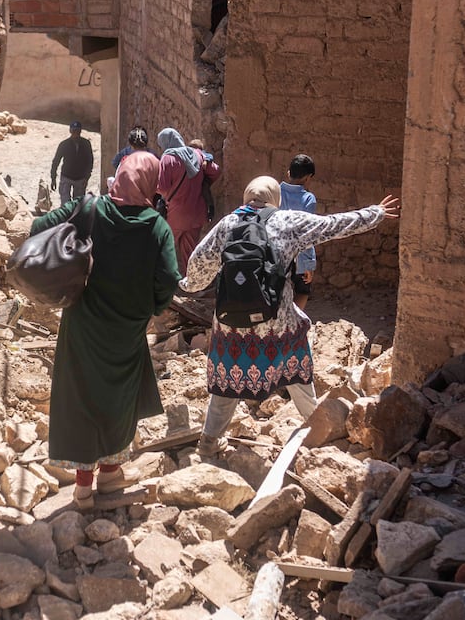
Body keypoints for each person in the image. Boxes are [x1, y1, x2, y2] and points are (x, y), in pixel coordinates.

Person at [179, 176, 400, 458]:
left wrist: (186, 285)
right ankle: (318, 427)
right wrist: (374, 213)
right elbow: (334, 225)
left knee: (225, 383)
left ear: (247, 197)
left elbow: (197, 270)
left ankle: (209, 440)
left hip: (230, 324)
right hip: (277, 323)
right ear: (275, 198)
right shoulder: (288, 221)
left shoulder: (227, 225)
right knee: (297, 371)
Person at [29, 152, 182, 509]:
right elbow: (167, 279)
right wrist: (153, 308)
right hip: (128, 327)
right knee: (119, 397)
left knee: (82, 396)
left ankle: (84, 487)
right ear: (151, 183)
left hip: (82, 321)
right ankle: (110, 473)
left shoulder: (91, 209)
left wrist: (72, 255)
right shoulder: (156, 226)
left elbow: (39, 228)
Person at [156, 128, 221, 275]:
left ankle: (164, 282)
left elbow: (162, 188)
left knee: (164, 250)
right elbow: (216, 171)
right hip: (196, 214)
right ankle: (191, 283)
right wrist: (203, 182)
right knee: (190, 254)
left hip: (176, 215)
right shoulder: (197, 154)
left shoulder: (168, 158)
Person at [279, 154, 318, 310]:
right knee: (303, 291)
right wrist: (309, 264)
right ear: (308, 177)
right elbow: (307, 233)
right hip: (298, 256)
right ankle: (295, 320)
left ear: (289, 173)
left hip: (277, 254)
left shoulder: (276, 192)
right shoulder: (308, 199)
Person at [50, 121, 94, 204]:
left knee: (78, 205)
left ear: (80, 131)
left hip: (80, 178)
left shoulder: (86, 144)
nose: (76, 134)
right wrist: (53, 178)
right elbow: (56, 161)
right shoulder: (64, 144)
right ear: (70, 131)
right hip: (66, 177)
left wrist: (87, 177)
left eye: (77, 131)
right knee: (65, 204)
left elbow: (90, 161)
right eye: (74, 131)